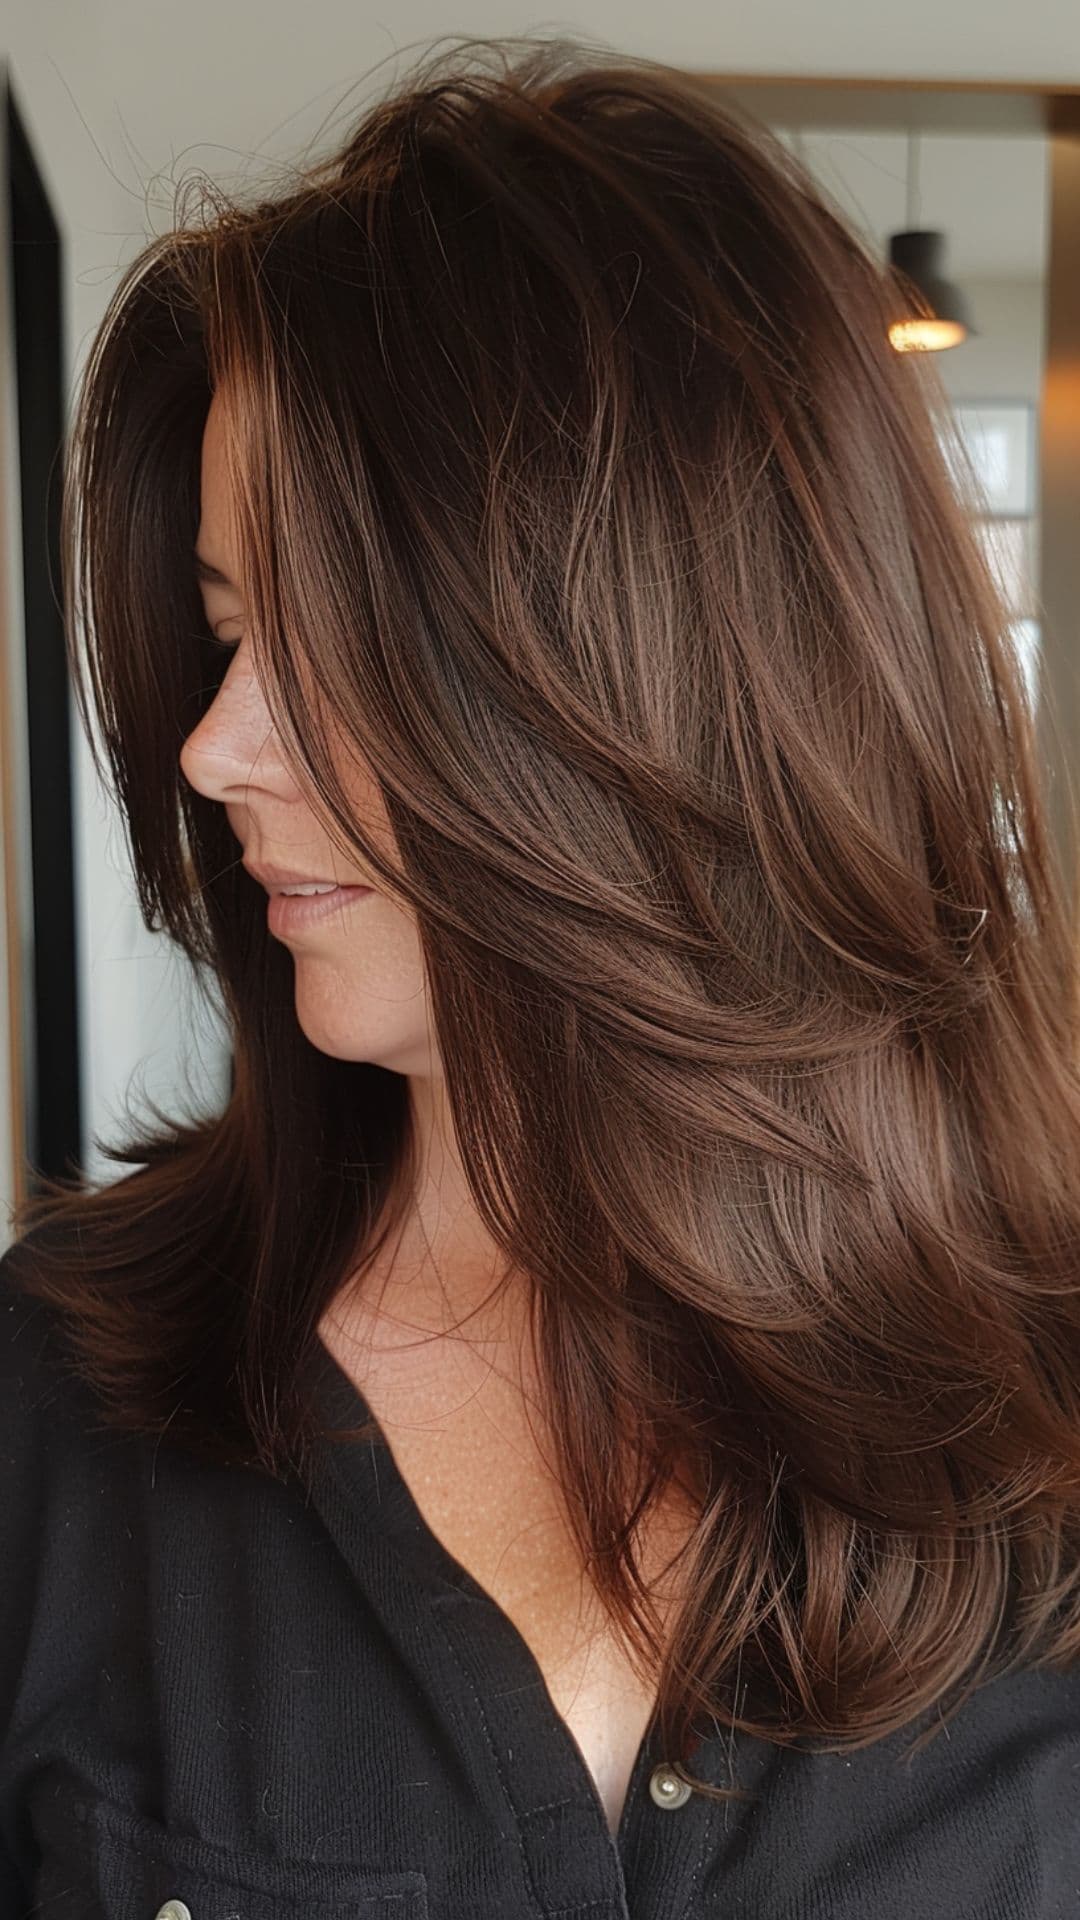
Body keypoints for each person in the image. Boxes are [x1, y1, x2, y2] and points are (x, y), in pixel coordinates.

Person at [3, 32, 1080, 1920]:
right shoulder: (59, 1411)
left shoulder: (1047, 1425)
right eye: (226, 629)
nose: (211, 746)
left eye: (322, 639)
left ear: (649, 670)